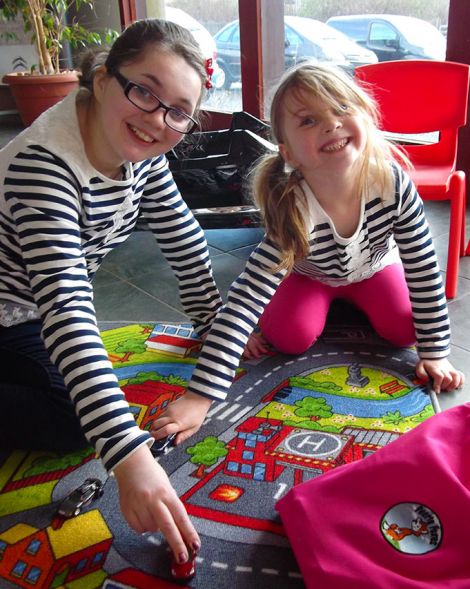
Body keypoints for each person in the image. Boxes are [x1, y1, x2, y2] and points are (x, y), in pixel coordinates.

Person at [0, 19, 223, 563]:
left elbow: (183, 240)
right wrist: (130, 458)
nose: (156, 120)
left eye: (177, 110)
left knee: (85, 394)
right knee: (77, 418)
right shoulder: (43, 166)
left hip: (28, 307)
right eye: (144, 90)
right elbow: (68, 310)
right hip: (14, 310)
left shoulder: (141, 153)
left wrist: (216, 325)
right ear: (102, 77)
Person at [151, 62, 464, 446]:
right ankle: (326, 306)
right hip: (310, 275)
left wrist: (435, 352)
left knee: (405, 331)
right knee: (288, 336)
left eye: (342, 109)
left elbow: (423, 268)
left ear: (367, 116)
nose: (331, 124)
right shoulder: (294, 205)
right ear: (288, 153)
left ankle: (354, 306)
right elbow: (248, 295)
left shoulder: (392, 184)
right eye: (308, 121)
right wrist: (200, 397)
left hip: (373, 271)